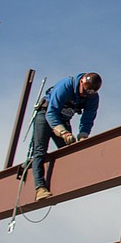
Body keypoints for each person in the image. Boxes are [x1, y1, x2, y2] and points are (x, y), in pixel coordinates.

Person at [31, 72, 101, 201]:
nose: (84, 95)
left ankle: (64, 182)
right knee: (40, 151)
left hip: (63, 119)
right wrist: (63, 132)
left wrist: (83, 136)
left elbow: (88, 118)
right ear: (81, 83)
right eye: (84, 92)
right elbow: (51, 113)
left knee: (69, 150)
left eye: (88, 94)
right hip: (46, 115)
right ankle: (40, 188)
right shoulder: (65, 86)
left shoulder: (92, 97)